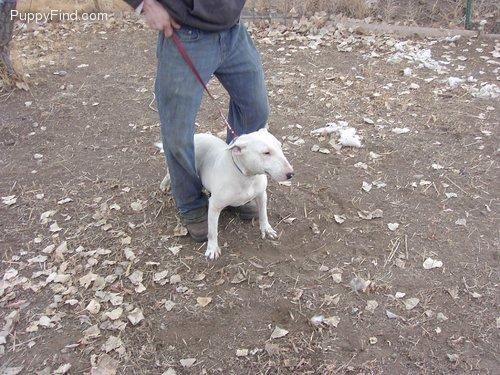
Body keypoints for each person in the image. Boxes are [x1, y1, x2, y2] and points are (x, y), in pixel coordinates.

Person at [123, 0, 269, 242]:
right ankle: (191, 203)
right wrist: (143, 3)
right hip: (185, 32)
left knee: (254, 110)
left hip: (233, 30)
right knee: (178, 130)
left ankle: (233, 182)